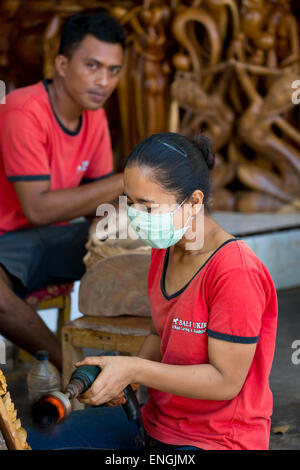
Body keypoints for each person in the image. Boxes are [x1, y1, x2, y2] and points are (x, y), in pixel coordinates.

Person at [27, 132, 278, 450]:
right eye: (130, 203)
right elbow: (161, 334)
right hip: (157, 422)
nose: (135, 216)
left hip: (218, 439)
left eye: (147, 206)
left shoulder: (234, 271)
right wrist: (125, 380)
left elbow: (226, 381)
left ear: (195, 202)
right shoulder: (166, 248)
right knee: (32, 442)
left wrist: (135, 368)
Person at [0, 12, 126, 371]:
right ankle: (77, 371)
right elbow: (37, 208)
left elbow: (97, 205)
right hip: (7, 242)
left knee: (145, 245)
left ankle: (145, 369)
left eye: (114, 70)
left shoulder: (94, 115)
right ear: (62, 63)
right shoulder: (22, 111)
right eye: (92, 65)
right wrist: (124, 180)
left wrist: (131, 221)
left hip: (55, 239)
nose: (104, 80)